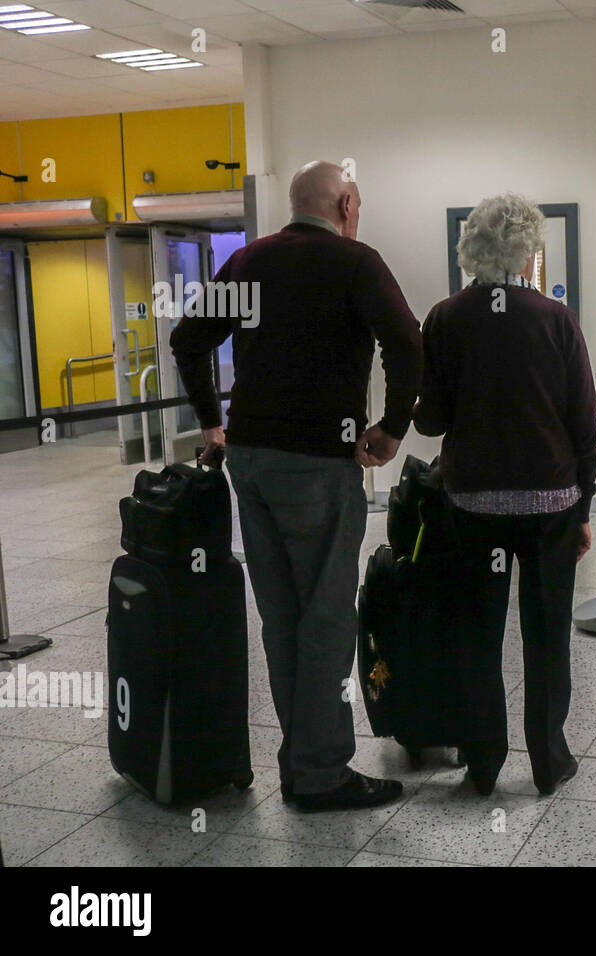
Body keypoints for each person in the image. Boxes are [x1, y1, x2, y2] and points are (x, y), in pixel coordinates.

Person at [170, 161, 423, 813]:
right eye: (357, 202)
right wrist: (392, 428)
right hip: (317, 463)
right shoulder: (356, 263)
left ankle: (300, 759)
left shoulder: (249, 263)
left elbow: (188, 340)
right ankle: (319, 773)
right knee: (327, 618)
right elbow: (406, 341)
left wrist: (211, 423)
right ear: (343, 203)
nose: (358, 212)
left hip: (250, 463)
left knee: (283, 617)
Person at [414, 193, 596, 797]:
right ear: (527, 250)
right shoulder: (556, 319)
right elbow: (583, 424)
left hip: (473, 506)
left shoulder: (444, 318)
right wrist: (583, 507)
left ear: (471, 247)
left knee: (475, 633)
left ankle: (484, 763)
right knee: (546, 635)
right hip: (549, 505)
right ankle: (548, 761)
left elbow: (432, 422)